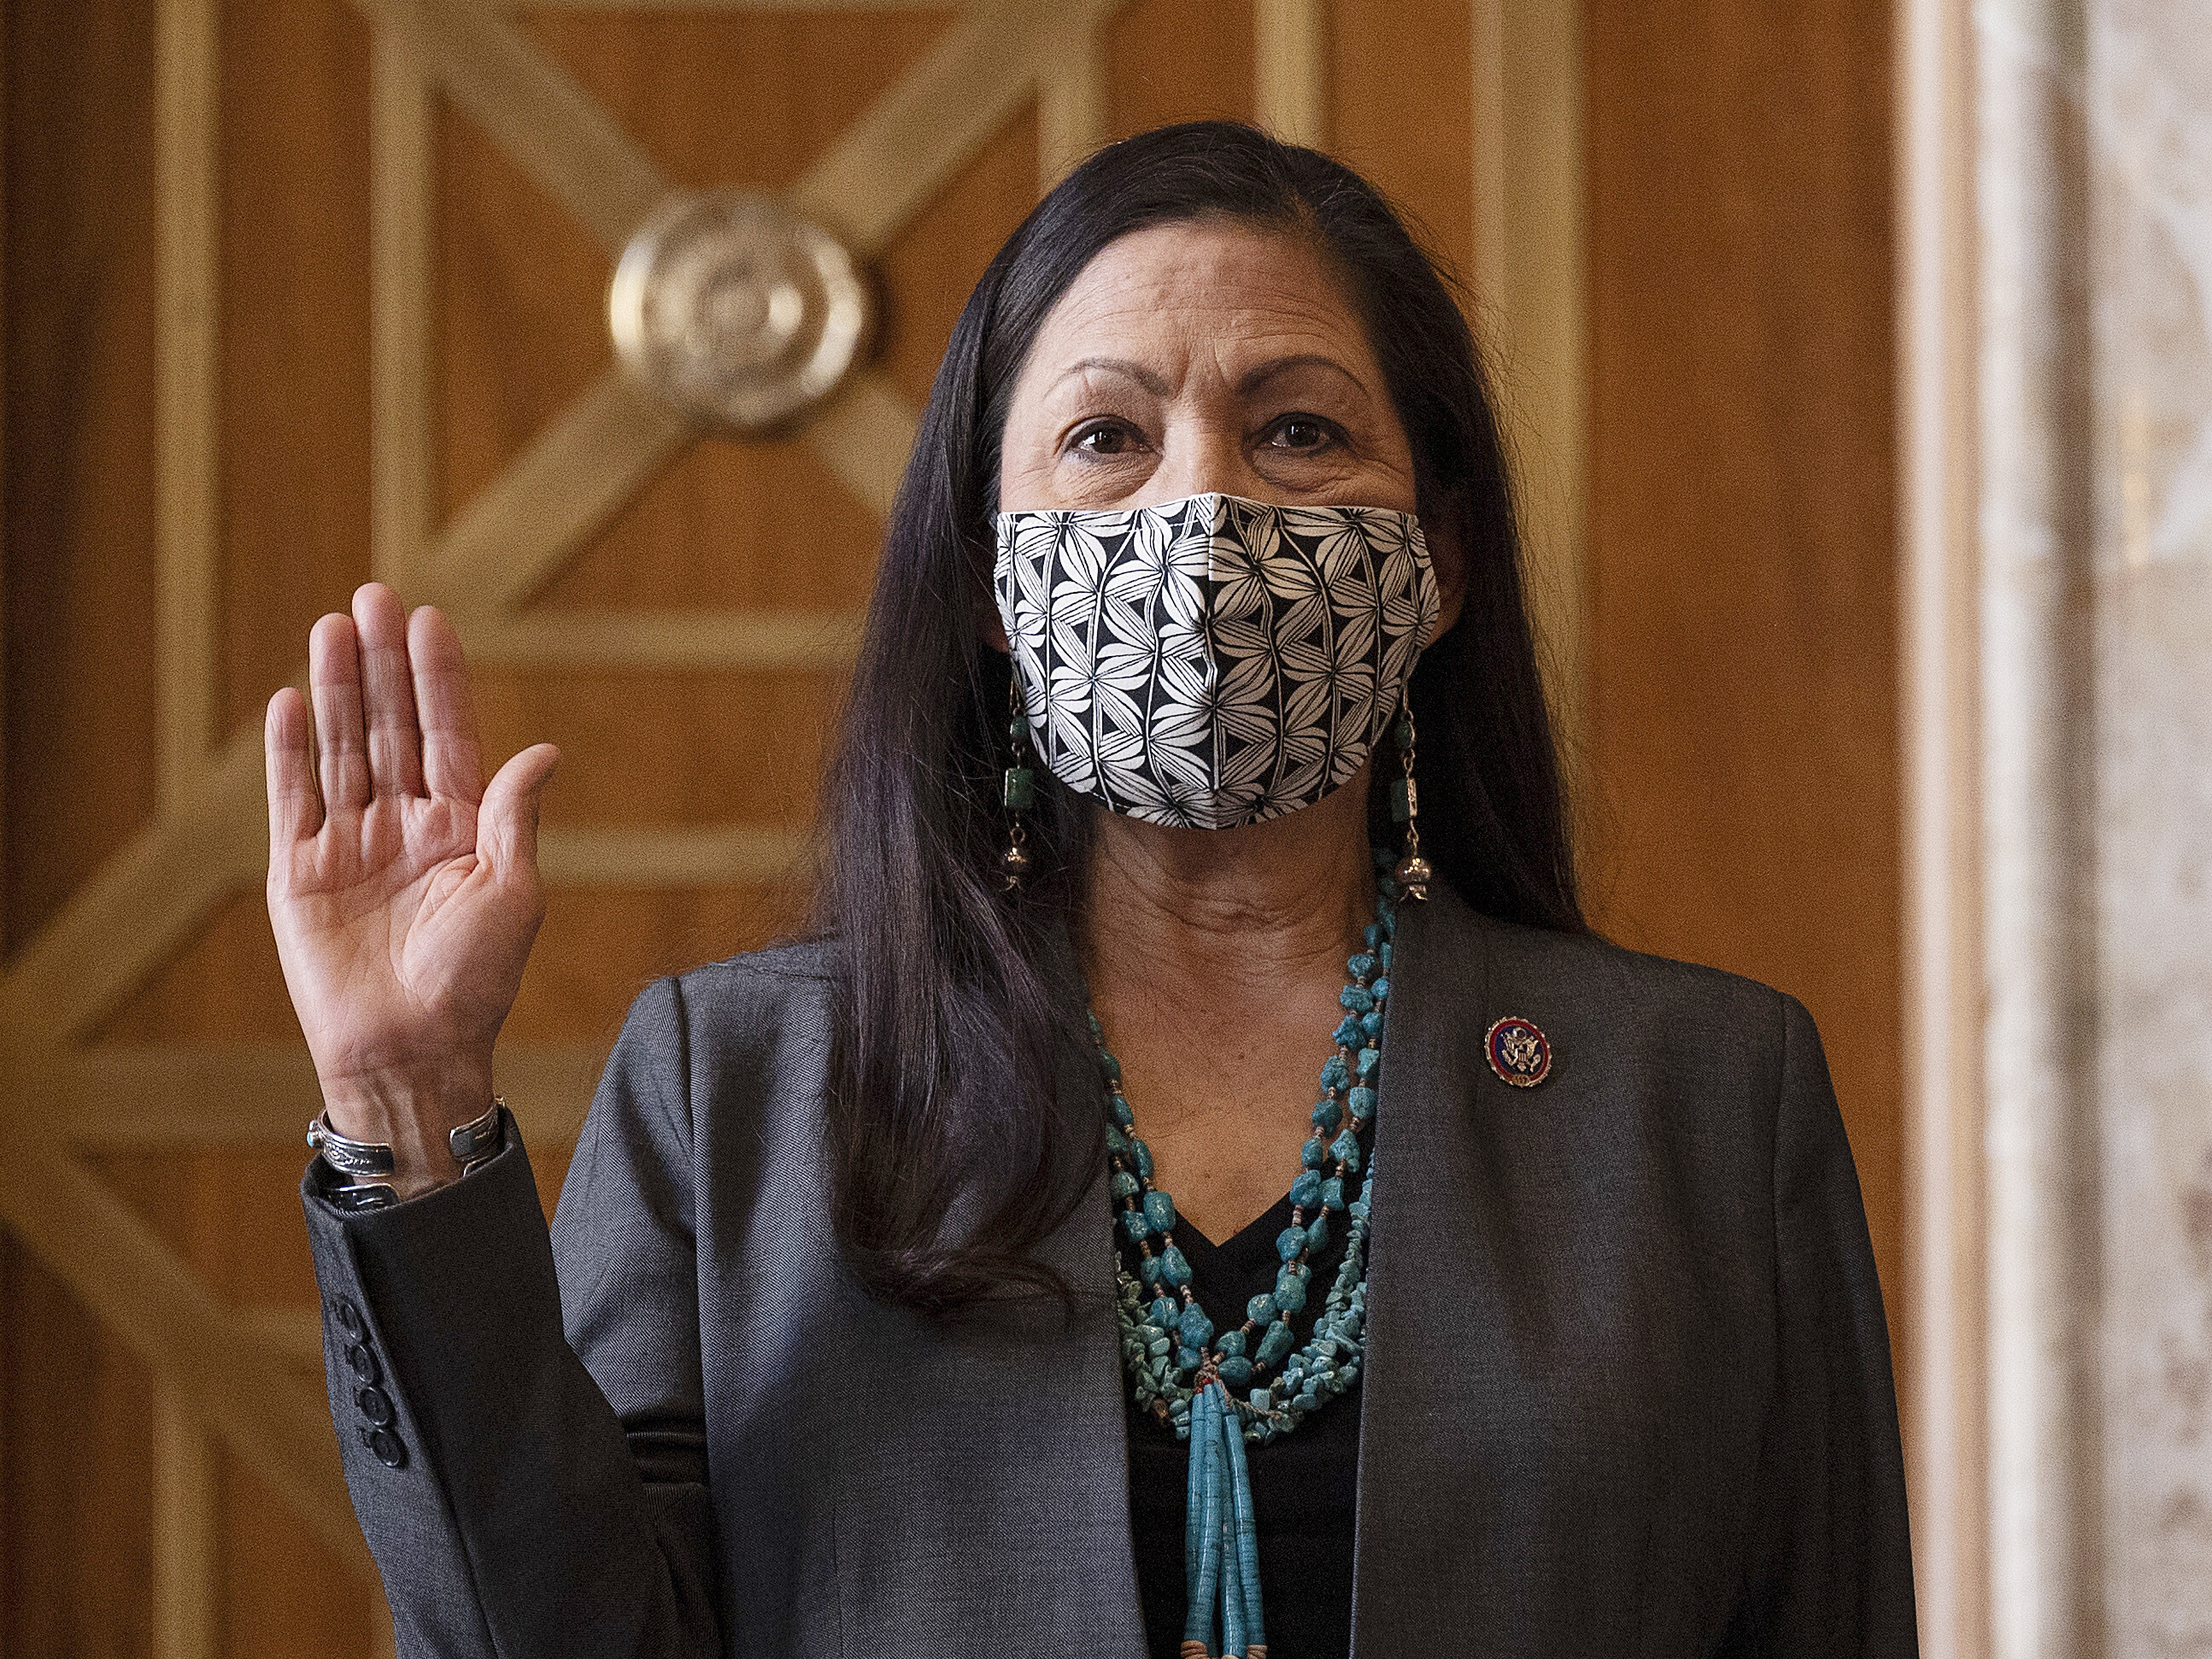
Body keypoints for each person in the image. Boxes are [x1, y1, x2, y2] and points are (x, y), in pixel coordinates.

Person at [267, 122, 1915, 1658]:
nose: (1203, 507)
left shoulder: (1699, 1100)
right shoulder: (744, 1091)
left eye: (1299, 428)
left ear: (1440, 568)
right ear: (993, 581)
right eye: (1106, 437)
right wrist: (401, 1094)